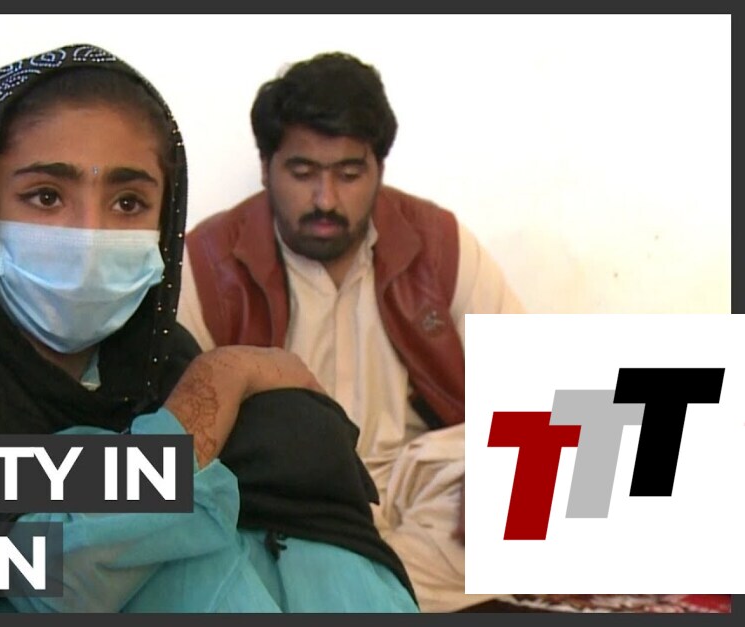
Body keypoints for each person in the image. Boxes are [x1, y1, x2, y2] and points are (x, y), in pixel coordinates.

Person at [0, 43, 418, 613]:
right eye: (45, 196)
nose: (88, 236)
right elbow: (44, 574)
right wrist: (221, 380)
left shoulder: (161, 361)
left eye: (128, 203)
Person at [176, 52, 525, 612]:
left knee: (507, 489)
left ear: (379, 169)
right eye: (303, 173)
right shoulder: (210, 264)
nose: (325, 199)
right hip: (291, 504)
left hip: (418, 492)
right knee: (214, 543)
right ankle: (367, 590)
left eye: (348, 174)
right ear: (266, 167)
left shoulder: (438, 245)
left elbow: (528, 384)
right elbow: (183, 428)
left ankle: (339, 591)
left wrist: (503, 475)